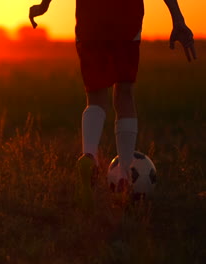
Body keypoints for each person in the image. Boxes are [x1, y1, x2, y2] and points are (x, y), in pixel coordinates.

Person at [29, 0, 196, 195]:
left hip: (90, 19)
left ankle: (89, 156)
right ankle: (124, 176)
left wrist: (43, 6)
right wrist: (177, 18)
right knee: (125, 94)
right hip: (126, 17)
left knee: (96, 96)